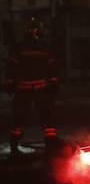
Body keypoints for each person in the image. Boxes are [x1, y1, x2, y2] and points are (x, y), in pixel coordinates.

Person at [4, 19, 60, 158]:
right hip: (42, 90)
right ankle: (51, 148)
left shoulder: (19, 48)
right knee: (47, 121)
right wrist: (54, 85)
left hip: (23, 90)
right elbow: (52, 68)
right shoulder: (45, 47)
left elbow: (10, 68)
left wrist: (9, 84)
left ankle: (14, 148)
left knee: (18, 120)